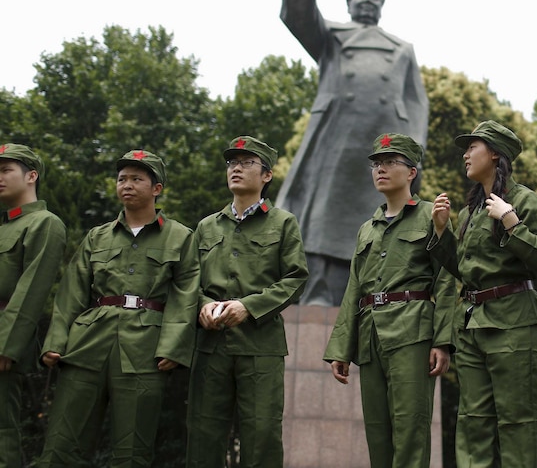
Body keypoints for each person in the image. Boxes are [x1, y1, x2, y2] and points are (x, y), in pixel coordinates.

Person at [276, 0, 429, 306]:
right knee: (323, 211)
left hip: (383, 146)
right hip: (336, 138)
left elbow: (416, 105)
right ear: (347, 3)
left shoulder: (401, 48)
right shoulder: (332, 38)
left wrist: (413, 152)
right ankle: (319, 292)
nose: (366, 2)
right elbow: (297, 12)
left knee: (375, 217)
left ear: (381, 7)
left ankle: (364, 289)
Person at [36, 149, 199, 467]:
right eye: (122, 178)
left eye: (137, 178)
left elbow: (185, 295)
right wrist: (56, 342)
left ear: (156, 188)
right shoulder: (97, 237)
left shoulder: (180, 237)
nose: (126, 184)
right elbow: (71, 293)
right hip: (87, 346)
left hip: (145, 350)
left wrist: (173, 348)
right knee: (61, 442)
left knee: (132, 450)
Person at [323, 133, 456, 467]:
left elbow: (447, 278)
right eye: (376, 164)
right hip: (371, 336)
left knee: (411, 429)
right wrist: (341, 347)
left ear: (411, 172)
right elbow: (354, 287)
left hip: (412, 331)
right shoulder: (367, 228)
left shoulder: (431, 215)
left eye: (389, 162)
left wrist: (443, 342)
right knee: (377, 433)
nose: (380, 169)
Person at [429, 120, 537, 467]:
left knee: (519, 422)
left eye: (473, 147)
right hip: (472, 325)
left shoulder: (524, 201)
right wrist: (442, 233)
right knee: (472, 422)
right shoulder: (469, 211)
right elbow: (466, 270)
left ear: (495, 154)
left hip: (514, 322)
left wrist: (512, 221)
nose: (466, 154)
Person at [186, 136, 308, 468]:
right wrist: (201, 305)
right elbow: (188, 281)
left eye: (247, 163)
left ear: (267, 175)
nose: (236, 168)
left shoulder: (283, 223)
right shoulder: (206, 227)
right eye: (232, 163)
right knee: (203, 435)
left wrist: (249, 307)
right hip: (210, 345)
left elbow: (296, 278)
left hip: (260, 346)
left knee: (262, 437)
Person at [0, 143, 66, 468]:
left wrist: (7, 345)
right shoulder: (4, 225)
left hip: (2, 338)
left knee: (2, 432)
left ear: (31, 176)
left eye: (4, 170)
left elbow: (32, 290)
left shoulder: (44, 223)